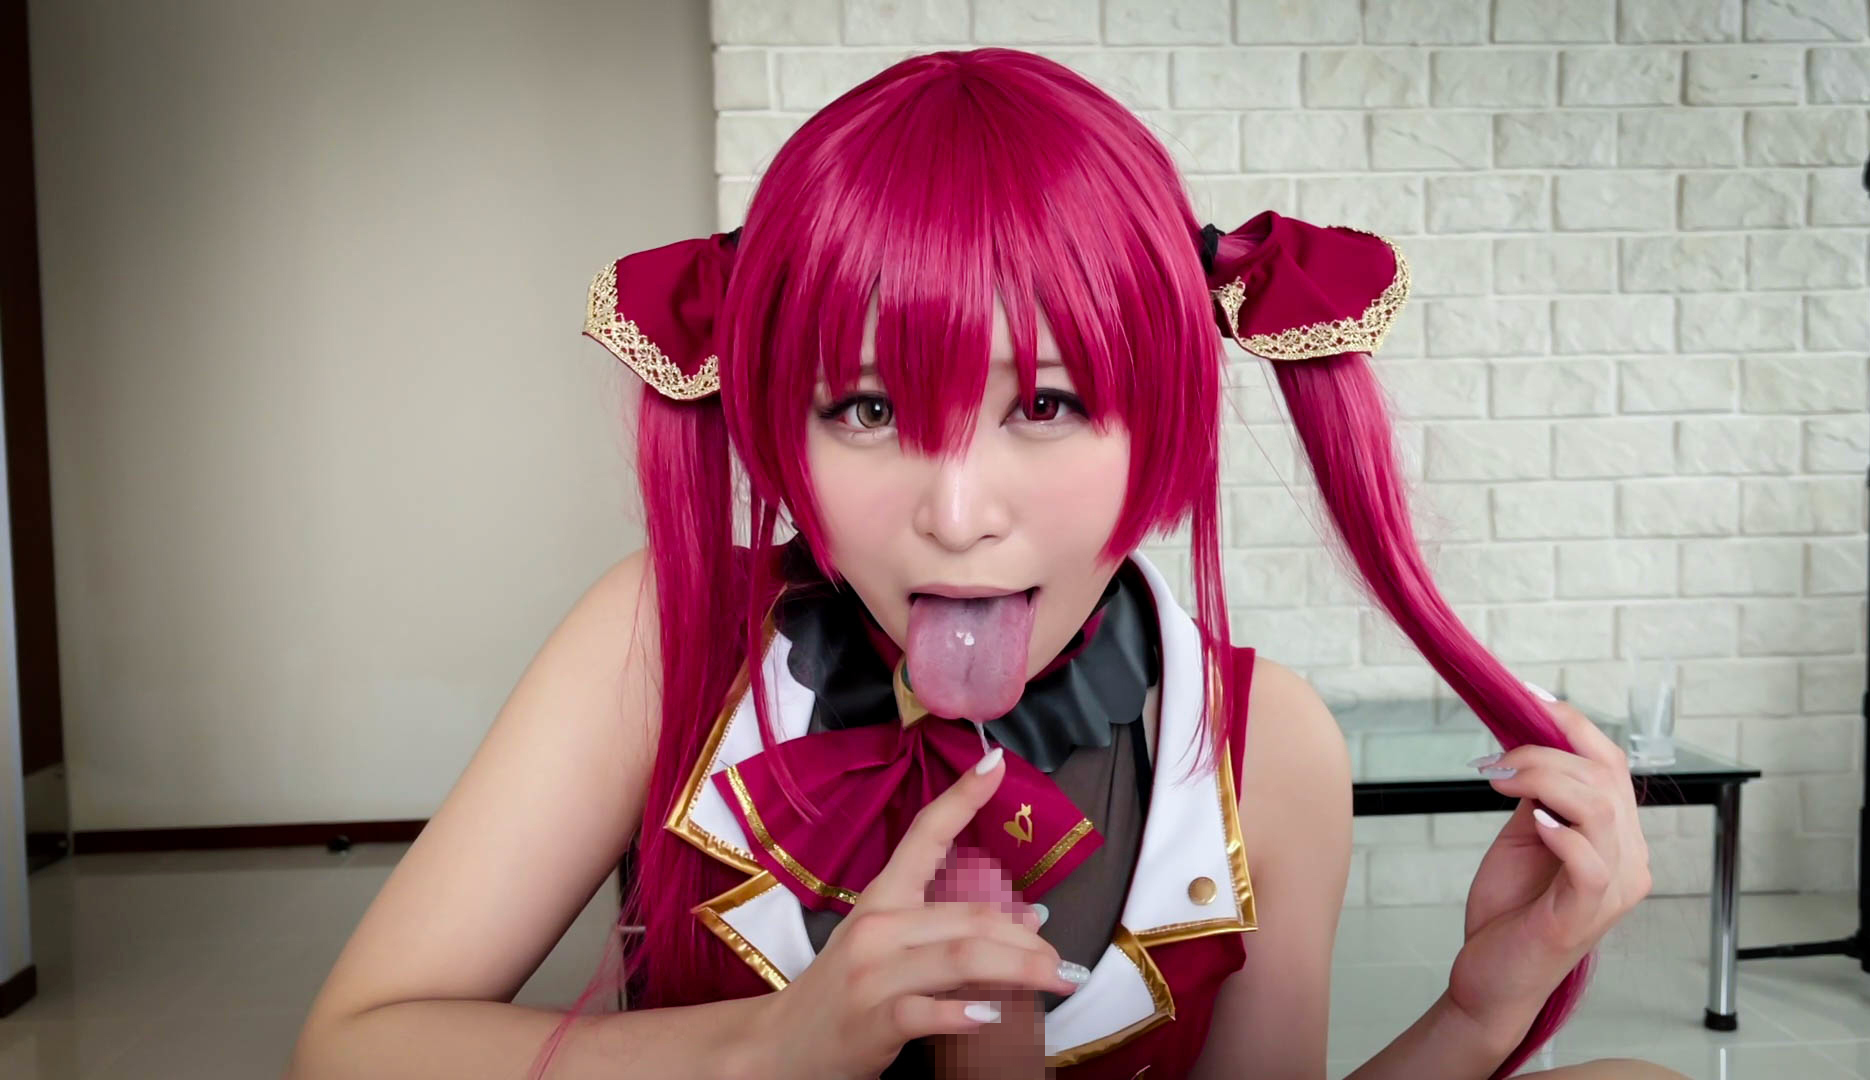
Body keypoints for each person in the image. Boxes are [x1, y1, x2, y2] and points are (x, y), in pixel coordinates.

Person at [290, 49, 1691, 1080]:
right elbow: (355, 1046)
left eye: (1048, 405)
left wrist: (1483, 1009)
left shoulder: (1267, 747)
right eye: (867, 408)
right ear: (777, 419)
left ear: (1164, 416)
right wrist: (763, 1051)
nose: (956, 514)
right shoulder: (662, 637)